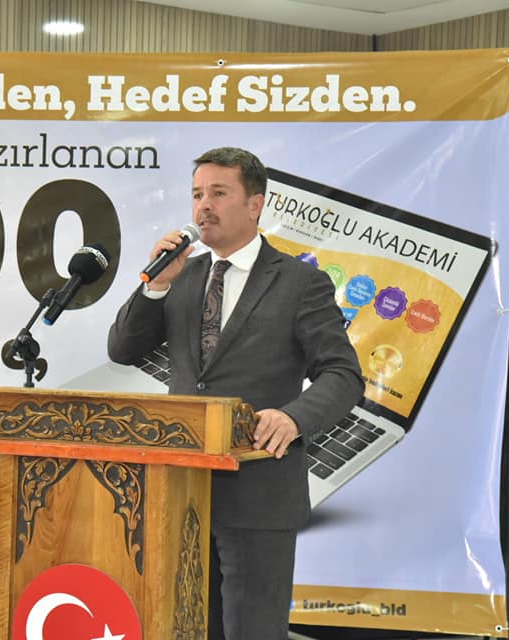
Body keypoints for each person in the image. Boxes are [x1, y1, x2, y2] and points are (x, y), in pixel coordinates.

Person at [108, 147, 364, 640]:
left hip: (258, 493)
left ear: (254, 205)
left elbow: (343, 374)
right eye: (197, 194)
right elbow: (122, 348)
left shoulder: (299, 282)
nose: (203, 205)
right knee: (184, 629)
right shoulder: (180, 277)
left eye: (218, 193)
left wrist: (294, 417)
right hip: (179, 491)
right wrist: (156, 287)